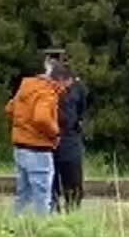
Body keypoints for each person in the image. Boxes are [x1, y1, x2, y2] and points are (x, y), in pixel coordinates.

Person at [5, 62, 69, 215]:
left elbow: (9, 109)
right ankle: (41, 230)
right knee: (42, 195)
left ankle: (16, 228)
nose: (65, 90)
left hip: (20, 147)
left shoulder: (26, 87)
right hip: (38, 149)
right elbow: (41, 118)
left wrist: (23, 126)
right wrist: (55, 133)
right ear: (59, 80)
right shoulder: (47, 92)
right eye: (66, 85)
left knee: (24, 194)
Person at [51, 66, 86, 213]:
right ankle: (54, 210)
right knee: (51, 182)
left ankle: (73, 212)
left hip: (71, 139)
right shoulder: (48, 91)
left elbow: (82, 110)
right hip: (51, 139)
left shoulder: (78, 89)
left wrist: (78, 123)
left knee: (73, 182)